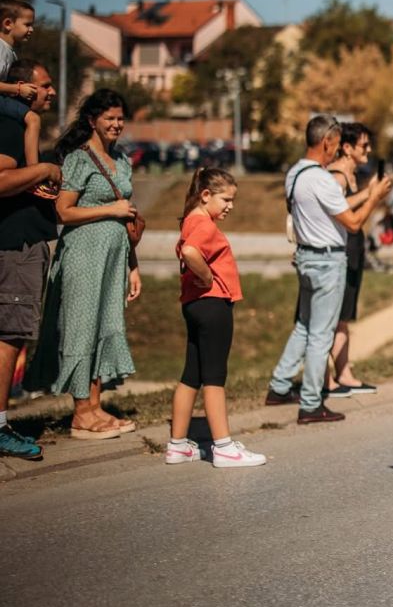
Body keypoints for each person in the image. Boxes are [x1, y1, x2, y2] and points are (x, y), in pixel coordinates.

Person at [26, 89, 141, 439]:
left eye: (120, 118)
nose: (116, 124)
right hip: (83, 255)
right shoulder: (79, 159)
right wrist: (110, 210)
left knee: (104, 326)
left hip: (113, 257)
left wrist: (133, 266)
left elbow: (127, 218)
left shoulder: (122, 160)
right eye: (109, 118)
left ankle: (94, 406)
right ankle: (80, 413)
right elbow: (64, 212)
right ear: (92, 120)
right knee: (81, 328)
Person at [266, 115, 391, 424]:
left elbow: (331, 207)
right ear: (327, 142)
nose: (336, 150)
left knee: (305, 326)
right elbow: (353, 222)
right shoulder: (322, 178)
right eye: (335, 144)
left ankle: (280, 385)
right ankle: (311, 403)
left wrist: (366, 193)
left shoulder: (296, 174)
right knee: (321, 334)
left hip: (306, 257)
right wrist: (374, 197)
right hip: (327, 261)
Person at [166, 168, 265, 467]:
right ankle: (223, 447)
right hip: (212, 305)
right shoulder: (203, 225)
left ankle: (178, 445)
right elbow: (192, 251)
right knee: (214, 377)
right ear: (205, 195)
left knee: (191, 375)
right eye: (226, 199)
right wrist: (208, 277)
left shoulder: (189, 221)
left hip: (194, 305)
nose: (230, 206)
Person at [0, 59, 59, 460]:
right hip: (15, 246)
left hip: (24, 243)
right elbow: (2, 181)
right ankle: (1, 426)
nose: (51, 92)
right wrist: (43, 169)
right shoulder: (11, 124)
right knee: (8, 338)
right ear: (21, 86)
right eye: (45, 85)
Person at [325, 122, 380, 400]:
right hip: (340, 251)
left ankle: (343, 373)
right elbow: (343, 212)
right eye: (364, 145)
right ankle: (326, 380)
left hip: (354, 250)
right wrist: (371, 195)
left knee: (344, 317)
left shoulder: (353, 176)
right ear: (347, 148)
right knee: (330, 317)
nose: (368, 149)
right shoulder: (336, 176)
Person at [0, 0, 46, 187]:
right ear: (8, 24)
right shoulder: (1, 50)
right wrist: (17, 89)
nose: (31, 29)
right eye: (27, 24)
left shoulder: (10, 51)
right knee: (33, 119)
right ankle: (34, 173)